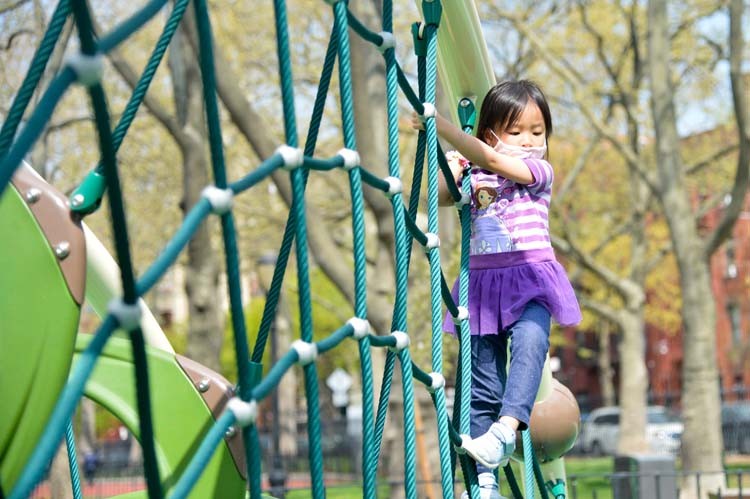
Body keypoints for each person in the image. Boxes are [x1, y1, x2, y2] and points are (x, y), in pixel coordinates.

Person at [412, 80, 581, 499]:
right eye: (516, 131)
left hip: (529, 279)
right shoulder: (476, 176)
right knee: (480, 380)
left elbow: (491, 157)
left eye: (537, 132)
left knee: (529, 344)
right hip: (483, 287)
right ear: (491, 132)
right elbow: (432, 200)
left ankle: (507, 430)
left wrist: (441, 126)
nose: (529, 141)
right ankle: (483, 476)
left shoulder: (538, 173)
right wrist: (452, 168)